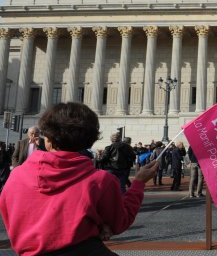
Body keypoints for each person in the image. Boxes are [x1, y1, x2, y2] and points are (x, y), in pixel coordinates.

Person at [0, 102, 158, 255]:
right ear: (89, 141)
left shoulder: (16, 176)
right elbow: (119, 222)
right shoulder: (101, 181)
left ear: (47, 140)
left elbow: (12, 219)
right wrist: (138, 184)